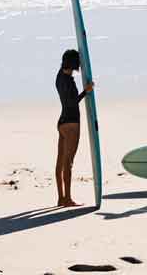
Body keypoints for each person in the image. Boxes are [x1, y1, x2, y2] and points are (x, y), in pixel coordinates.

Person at [55, 48, 93, 207]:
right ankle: (68, 199)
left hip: (62, 122)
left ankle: (61, 198)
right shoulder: (69, 81)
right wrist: (86, 91)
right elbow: (72, 102)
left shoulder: (59, 77)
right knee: (68, 163)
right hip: (71, 124)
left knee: (60, 162)